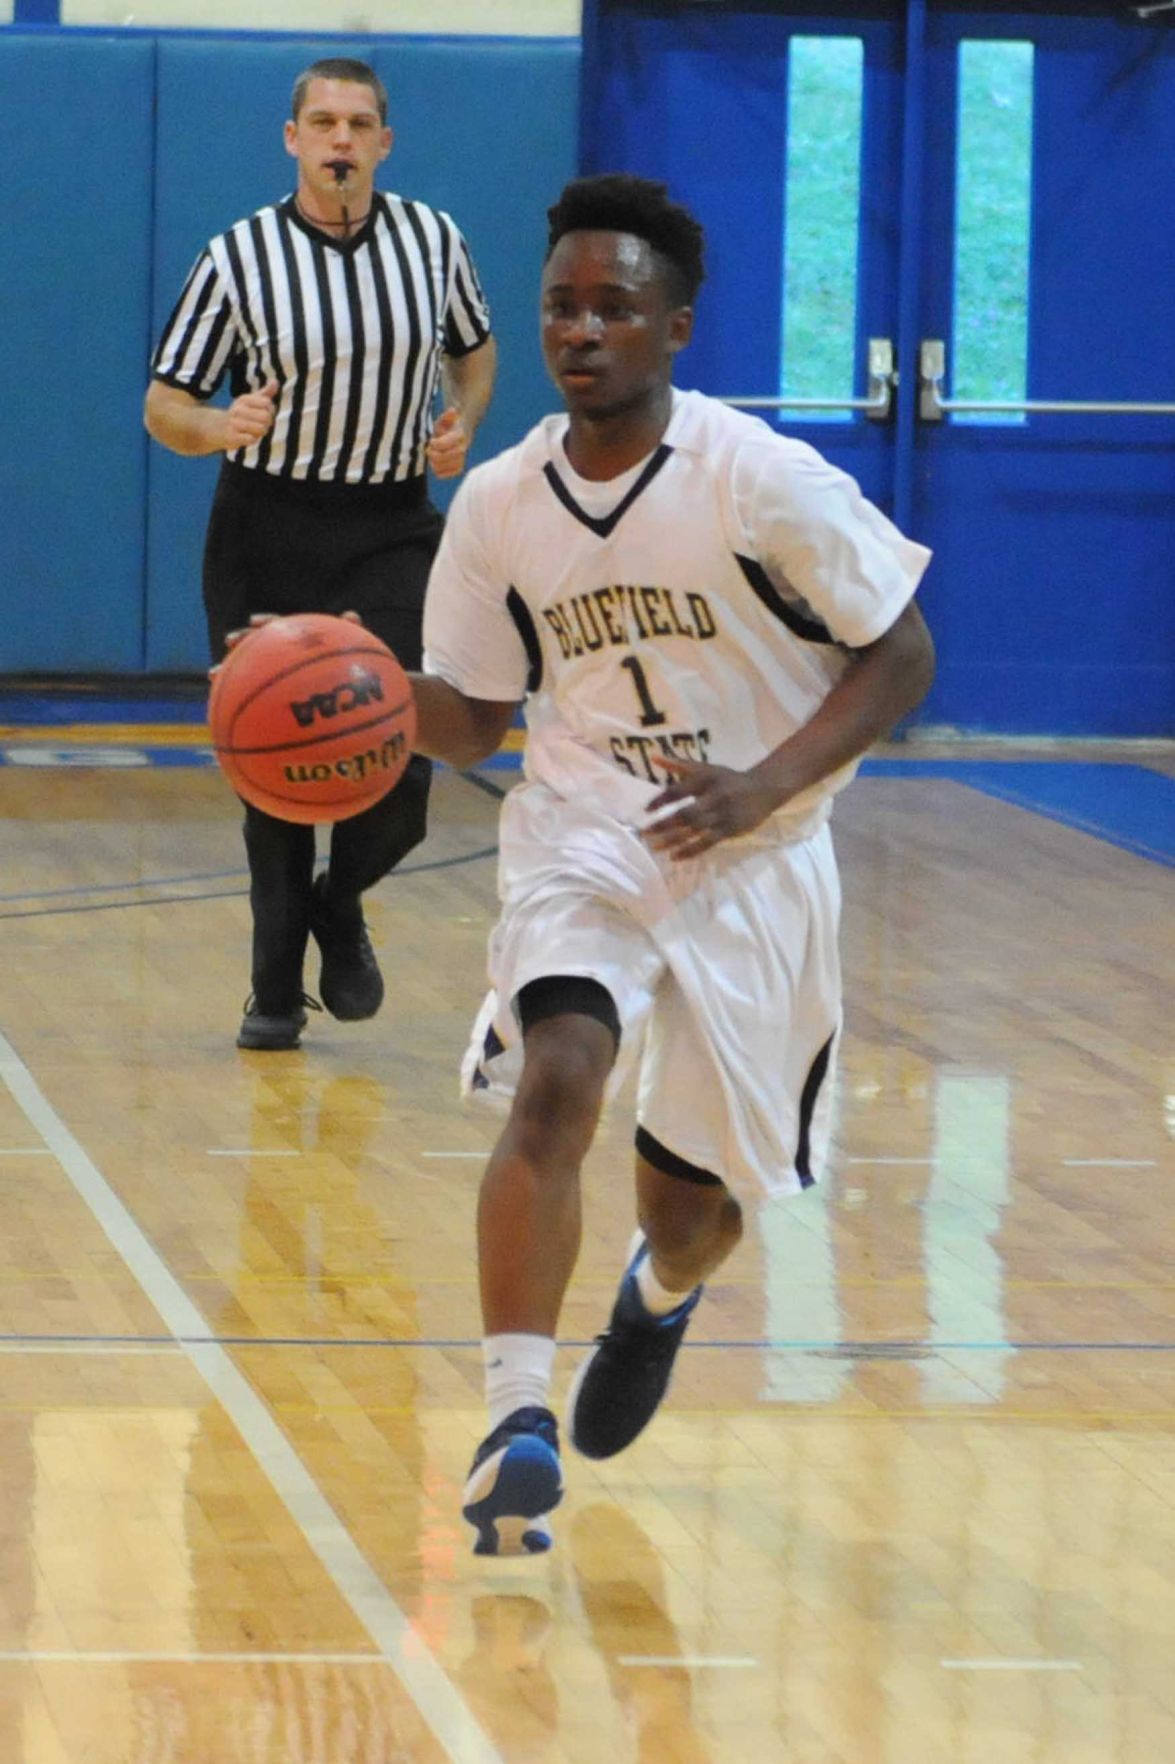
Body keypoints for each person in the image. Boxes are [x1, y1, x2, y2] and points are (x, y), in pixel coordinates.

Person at [406, 173, 936, 1556]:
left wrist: (761, 782)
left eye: (612, 309)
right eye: (558, 308)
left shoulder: (755, 479)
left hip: (757, 849)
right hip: (587, 827)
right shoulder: (499, 505)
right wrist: (350, 688)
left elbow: (902, 651)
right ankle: (512, 1421)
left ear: (674, 329)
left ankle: (659, 1290)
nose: (579, 332)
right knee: (557, 1072)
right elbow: (469, 714)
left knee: (691, 1209)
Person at [145, 56, 496, 1051]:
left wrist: (460, 418)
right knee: (278, 762)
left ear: (384, 143)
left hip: (391, 526)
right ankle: (271, 993)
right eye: (323, 123)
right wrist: (219, 426)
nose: (340, 140)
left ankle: (339, 904)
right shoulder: (238, 257)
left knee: (403, 766)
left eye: (359, 124)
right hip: (266, 527)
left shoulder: (434, 242)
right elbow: (163, 403)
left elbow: (476, 351)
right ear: (291, 139)